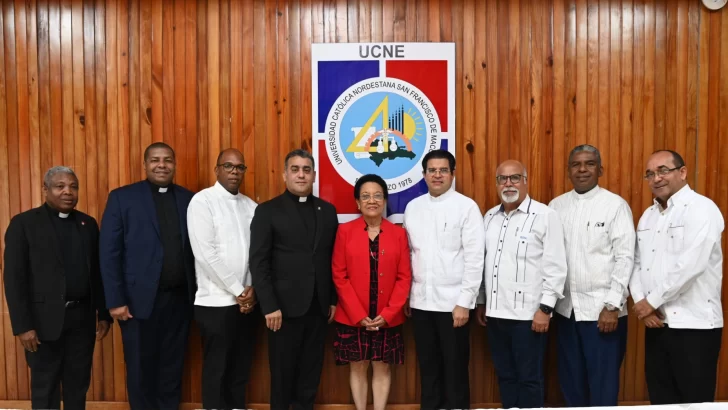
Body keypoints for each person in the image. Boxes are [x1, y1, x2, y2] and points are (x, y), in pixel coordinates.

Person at [3, 166, 112, 410]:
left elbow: (97, 273)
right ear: (45, 190)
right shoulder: (24, 224)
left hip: (81, 320)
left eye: (73, 187)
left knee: (78, 384)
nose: (67, 192)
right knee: (45, 386)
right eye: (60, 186)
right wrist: (23, 326)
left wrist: (103, 313)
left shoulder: (88, 224)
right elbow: (13, 279)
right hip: (42, 323)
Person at [99, 142, 196, 410]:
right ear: (145, 165)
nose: (161, 165)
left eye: (167, 160)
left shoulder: (189, 199)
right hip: (136, 303)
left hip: (179, 303)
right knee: (141, 371)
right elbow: (109, 253)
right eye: (155, 160)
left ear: (175, 164)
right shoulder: (122, 197)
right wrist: (115, 301)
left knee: (172, 369)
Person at [630, 150, 723, 404]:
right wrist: (643, 305)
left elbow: (691, 265)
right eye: (650, 173)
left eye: (663, 170)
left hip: (695, 327)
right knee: (661, 400)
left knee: (695, 402)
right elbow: (636, 263)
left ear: (682, 173)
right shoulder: (648, 216)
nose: (656, 178)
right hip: (657, 324)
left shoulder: (702, 208)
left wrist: (652, 301)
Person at [249, 149, 339, 410]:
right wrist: (269, 306)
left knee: (310, 376)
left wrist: (331, 299)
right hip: (282, 311)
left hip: (318, 308)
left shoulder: (327, 211)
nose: (301, 174)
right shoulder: (267, 211)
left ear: (313, 175)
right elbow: (259, 262)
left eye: (306, 170)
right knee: (282, 376)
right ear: (285, 174)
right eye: (295, 169)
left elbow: (329, 259)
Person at [548, 145, 635, 406]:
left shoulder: (615, 205)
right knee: (571, 382)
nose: (582, 169)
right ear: (568, 171)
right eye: (576, 164)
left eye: (589, 163)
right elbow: (549, 259)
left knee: (603, 384)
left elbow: (625, 257)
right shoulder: (556, 206)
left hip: (601, 313)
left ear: (600, 169)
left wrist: (612, 306)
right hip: (566, 312)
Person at [476, 160, 567, 409]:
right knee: (505, 376)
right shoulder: (490, 217)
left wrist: (545, 309)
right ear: (496, 184)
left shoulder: (545, 215)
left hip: (529, 317)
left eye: (515, 178)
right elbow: (485, 263)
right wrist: (482, 301)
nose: (508, 184)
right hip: (495, 315)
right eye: (502, 179)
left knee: (529, 379)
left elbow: (556, 267)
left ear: (526, 181)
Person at [402, 149, 485, 410]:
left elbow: (475, 259)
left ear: (453, 173)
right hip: (421, 304)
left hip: (453, 307)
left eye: (443, 170)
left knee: (455, 371)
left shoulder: (466, 207)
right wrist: (408, 296)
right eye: (432, 170)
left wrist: (465, 303)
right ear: (424, 175)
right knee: (429, 370)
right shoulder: (413, 208)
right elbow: (409, 255)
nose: (437, 175)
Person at [331, 174, 412, 410]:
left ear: (385, 200)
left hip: (387, 315)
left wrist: (388, 313)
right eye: (365, 196)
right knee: (357, 365)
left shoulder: (398, 233)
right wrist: (358, 314)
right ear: (357, 202)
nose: (372, 200)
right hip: (353, 315)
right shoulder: (345, 231)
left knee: (382, 366)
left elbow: (404, 277)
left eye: (377, 195)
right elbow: (339, 275)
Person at [187, 148, 259, 410]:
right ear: (216, 169)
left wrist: (250, 291)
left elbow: (256, 255)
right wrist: (239, 290)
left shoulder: (251, 206)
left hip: (246, 304)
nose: (234, 172)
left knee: (240, 369)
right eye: (228, 166)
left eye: (240, 167)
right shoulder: (202, 201)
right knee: (216, 369)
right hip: (214, 303)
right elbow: (206, 254)